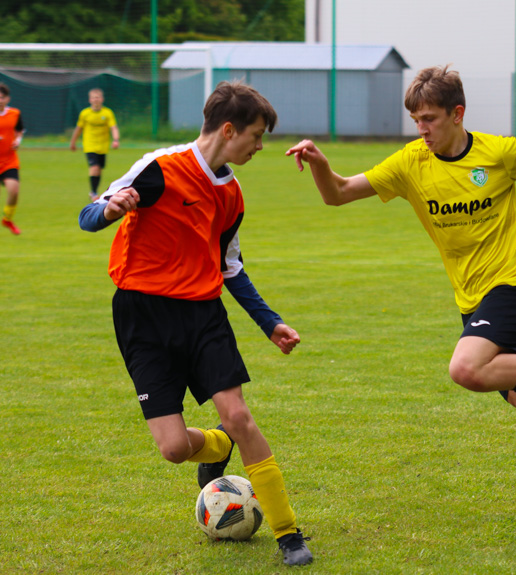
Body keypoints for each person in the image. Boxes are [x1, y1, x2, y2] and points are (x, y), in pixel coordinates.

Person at [287, 65, 516, 530]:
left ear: (457, 113)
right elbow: (339, 194)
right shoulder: (409, 164)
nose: (421, 129)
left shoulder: (497, 152)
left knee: (465, 369)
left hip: (514, 289)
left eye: (429, 118)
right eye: (416, 120)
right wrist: (322, 164)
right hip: (475, 305)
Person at [79, 80, 313, 566]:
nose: (259, 147)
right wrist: (109, 208)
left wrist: (269, 322)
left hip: (202, 315)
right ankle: (216, 446)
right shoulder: (159, 168)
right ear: (228, 130)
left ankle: (289, 534)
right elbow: (88, 216)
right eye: (256, 136)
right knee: (170, 448)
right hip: (141, 316)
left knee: (240, 415)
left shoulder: (231, 193)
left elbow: (231, 267)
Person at [70, 88, 120, 200]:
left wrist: (116, 140)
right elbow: (79, 129)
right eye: (93, 97)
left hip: (103, 146)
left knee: (99, 169)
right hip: (89, 145)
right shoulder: (85, 113)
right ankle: (93, 193)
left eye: (97, 97)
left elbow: (113, 127)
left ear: (102, 99)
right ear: (89, 100)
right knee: (94, 167)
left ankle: (94, 190)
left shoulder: (107, 113)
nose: (95, 100)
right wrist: (73, 142)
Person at [0, 83, 23, 235]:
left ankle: (7, 219)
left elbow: (20, 130)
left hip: (9, 161)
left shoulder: (15, 113)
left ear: (7, 99)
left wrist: (18, 140)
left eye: (2, 97)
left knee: (14, 191)